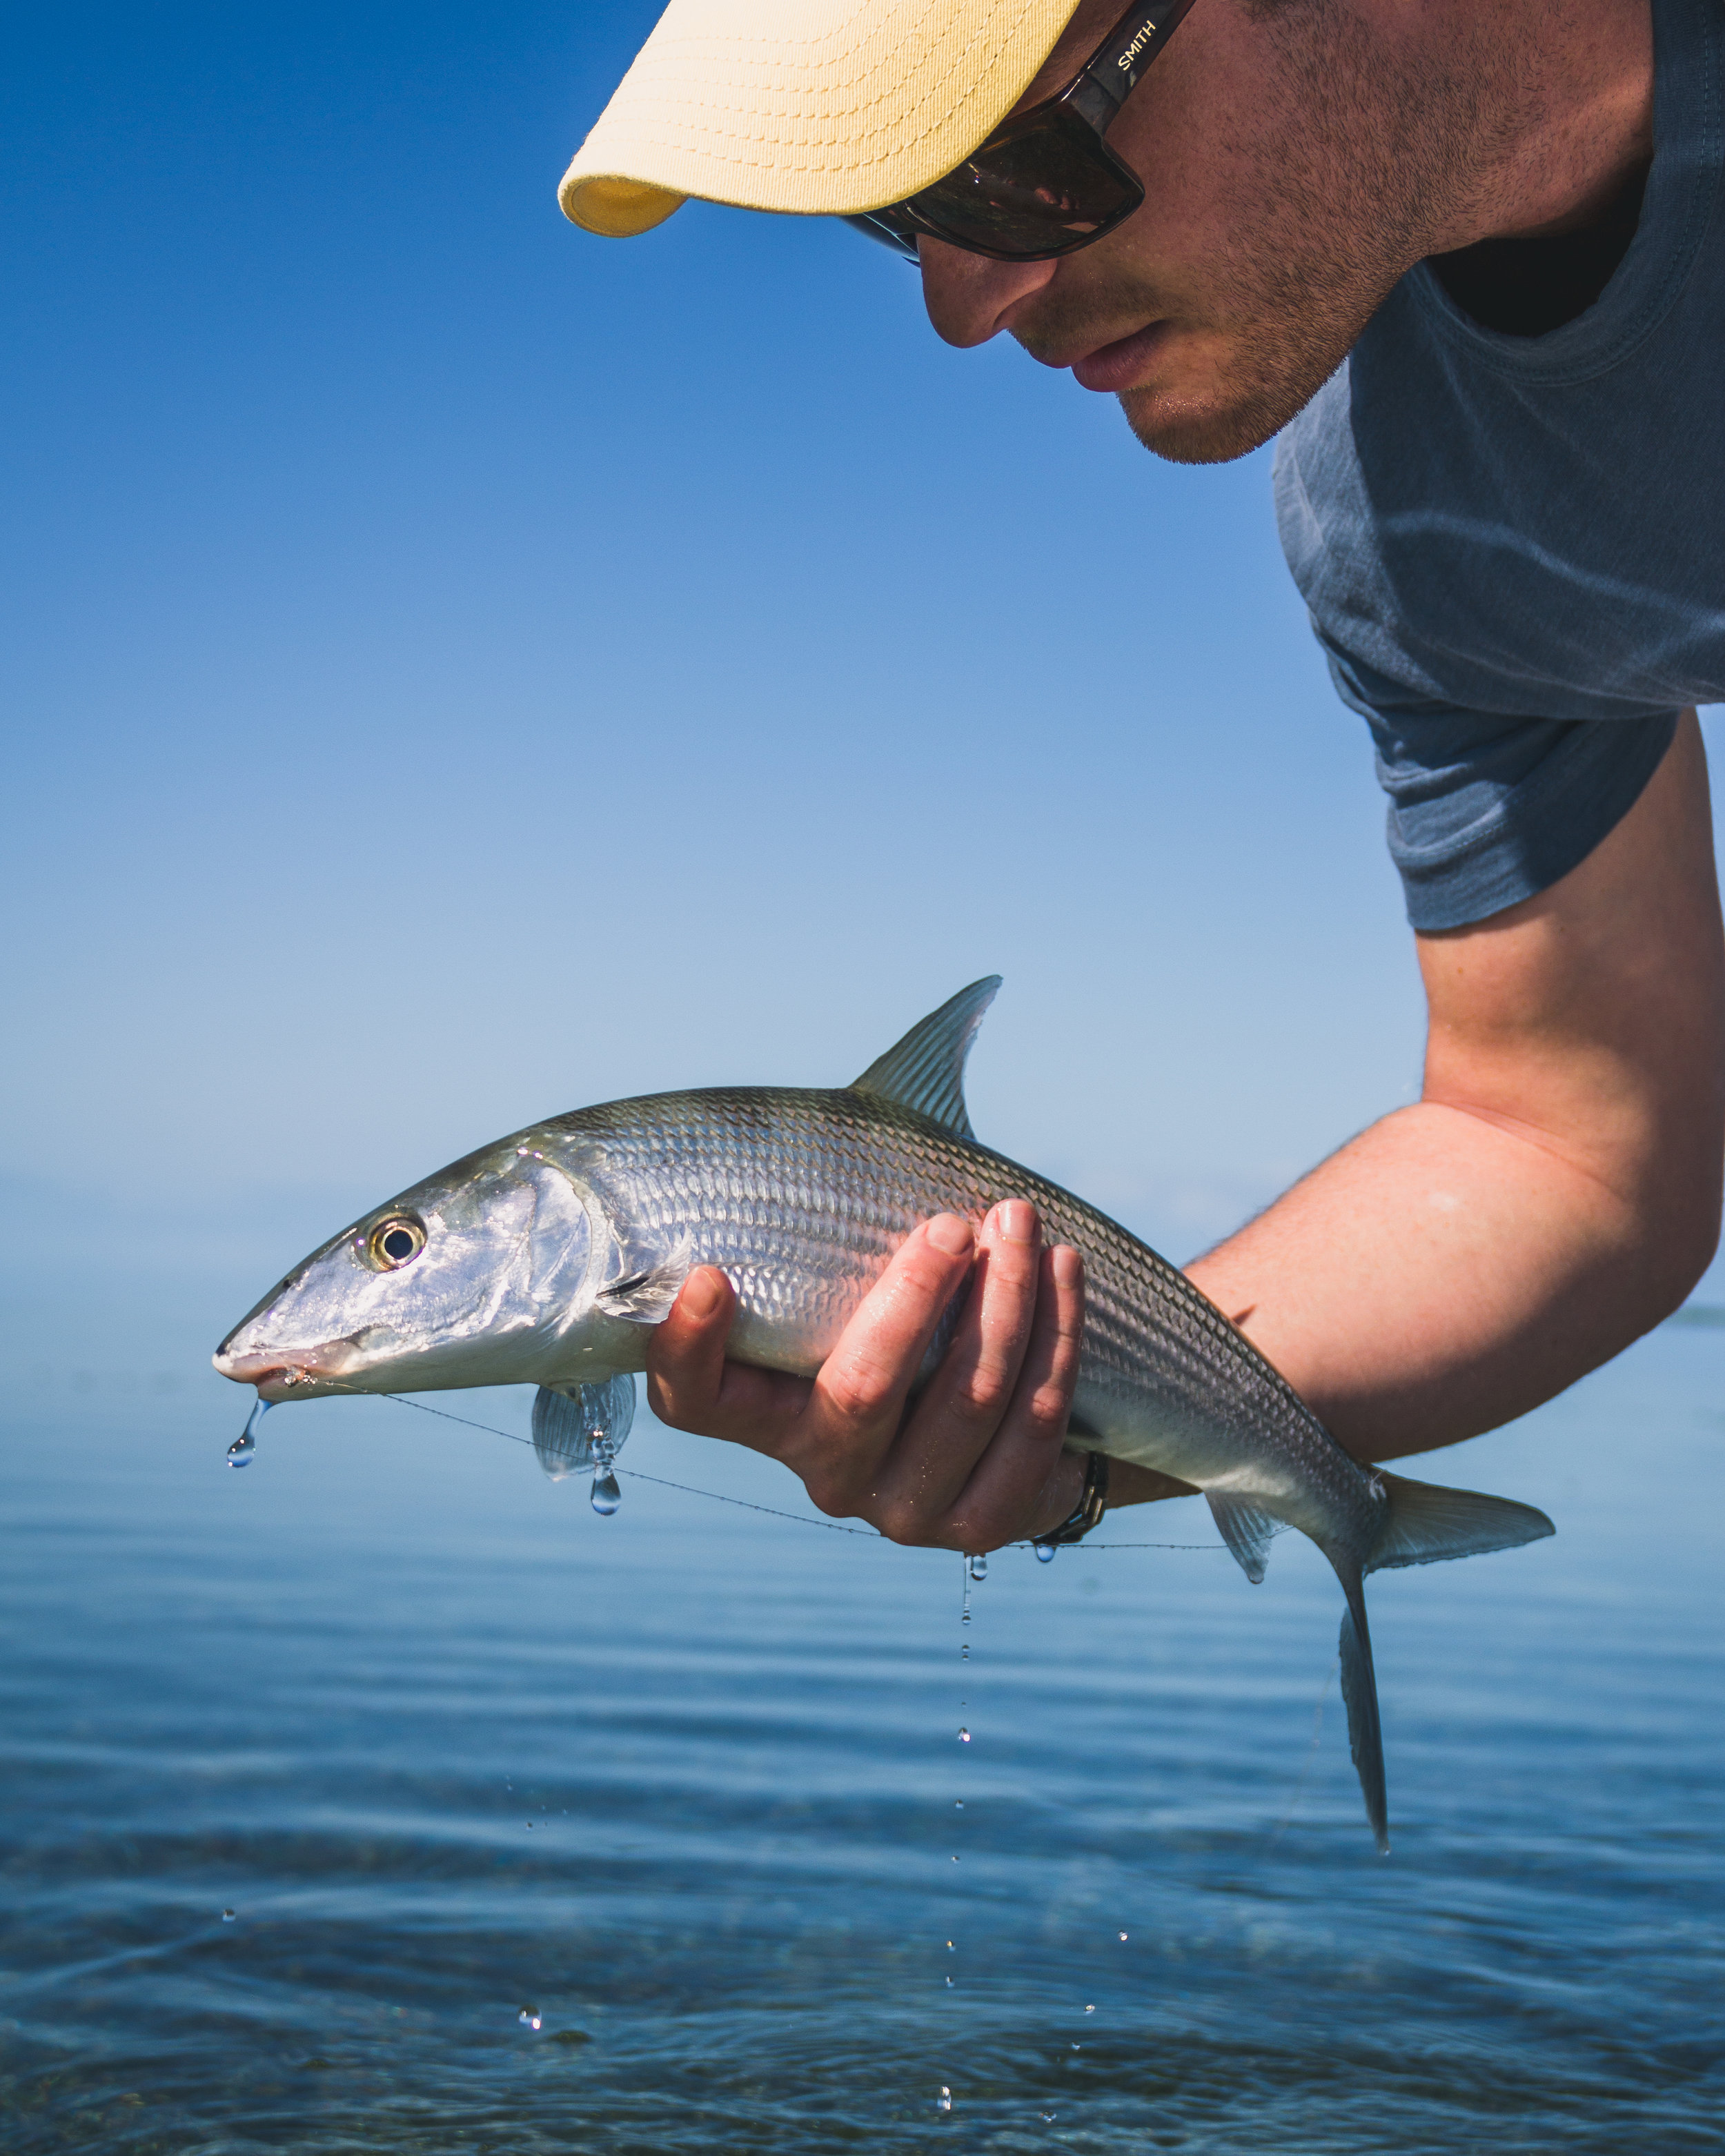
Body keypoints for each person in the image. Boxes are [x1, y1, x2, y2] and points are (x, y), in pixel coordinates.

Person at [560, 0, 1725, 1552]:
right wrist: (1068, 1414)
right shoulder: (1403, 528)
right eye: (897, 214)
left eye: (1006, 165)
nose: (969, 307)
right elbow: (1561, 1146)